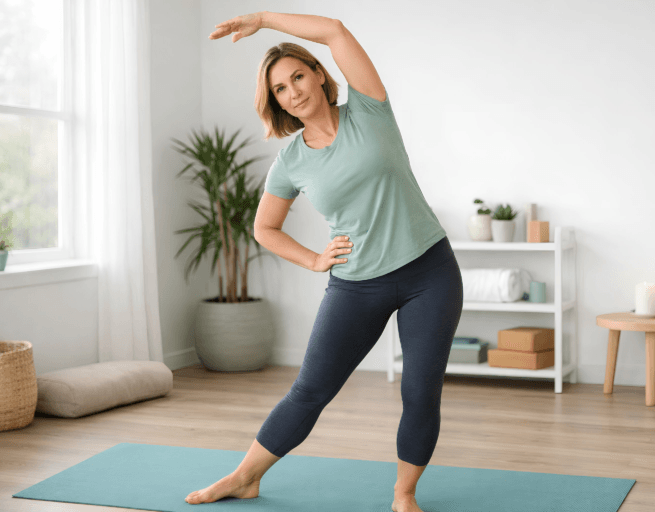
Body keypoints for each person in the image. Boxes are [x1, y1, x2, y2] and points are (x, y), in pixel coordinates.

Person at [186, 12, 463, 512]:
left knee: (421, 391)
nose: (293, 91)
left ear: (318, 74)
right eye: (280, 88)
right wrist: (315, 260)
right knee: (310, 389)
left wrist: (264, 19)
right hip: (357, 284)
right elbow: (264, 229)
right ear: (275, 102)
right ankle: (244, 477)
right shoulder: (291, 161)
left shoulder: (370, 108)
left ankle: (404, 495)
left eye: (298, 76)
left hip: (429, 272)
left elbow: (335, 30)